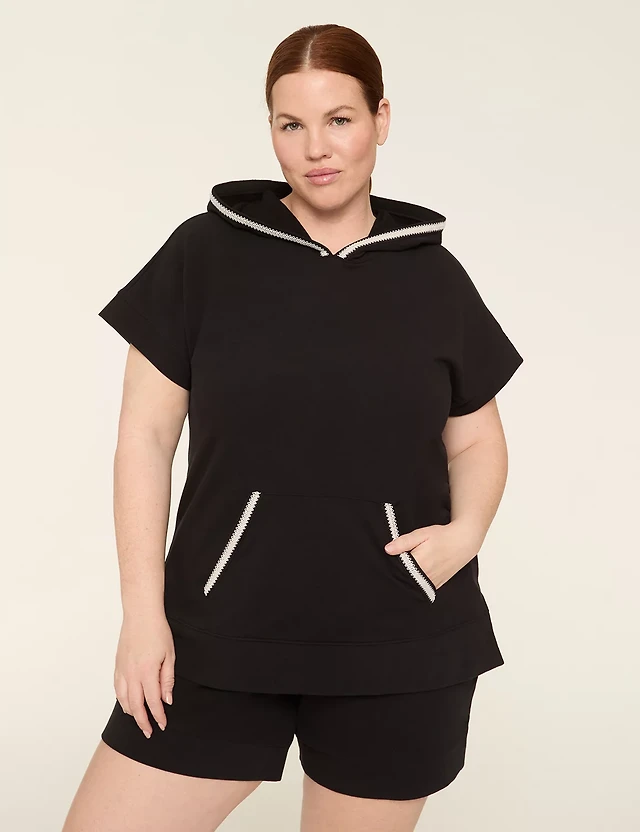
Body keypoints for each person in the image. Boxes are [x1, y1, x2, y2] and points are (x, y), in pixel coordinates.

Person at [62, 22, 524, 832]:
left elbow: (478, 437)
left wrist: (466, 534)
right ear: (270, 130)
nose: (317, 148)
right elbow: (145, 439)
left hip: (396, 637)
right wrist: (142, 615)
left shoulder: (434, 276)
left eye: (340, 119)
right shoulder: (204, 255)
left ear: (381, 119)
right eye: (291, 124)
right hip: (220, 630)